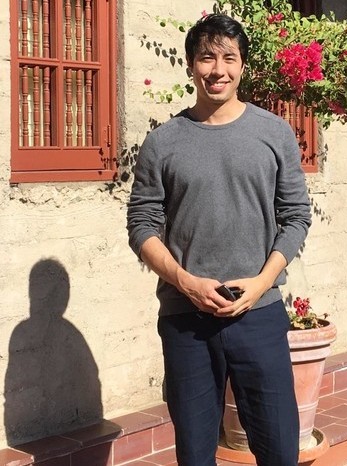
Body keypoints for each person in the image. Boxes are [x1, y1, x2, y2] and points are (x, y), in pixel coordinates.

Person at [127, 13, 312, 466]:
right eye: (207, 58)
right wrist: (186, 282)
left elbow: (295, 217)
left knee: (280, 448)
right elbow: (141, 224)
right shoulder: (163, 142)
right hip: (186, 318)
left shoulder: (273, 133)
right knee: (195, 453)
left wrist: (262, 282)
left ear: (243, 66)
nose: (218, 69)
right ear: (191, 65)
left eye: (229, 58)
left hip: (260, 313)